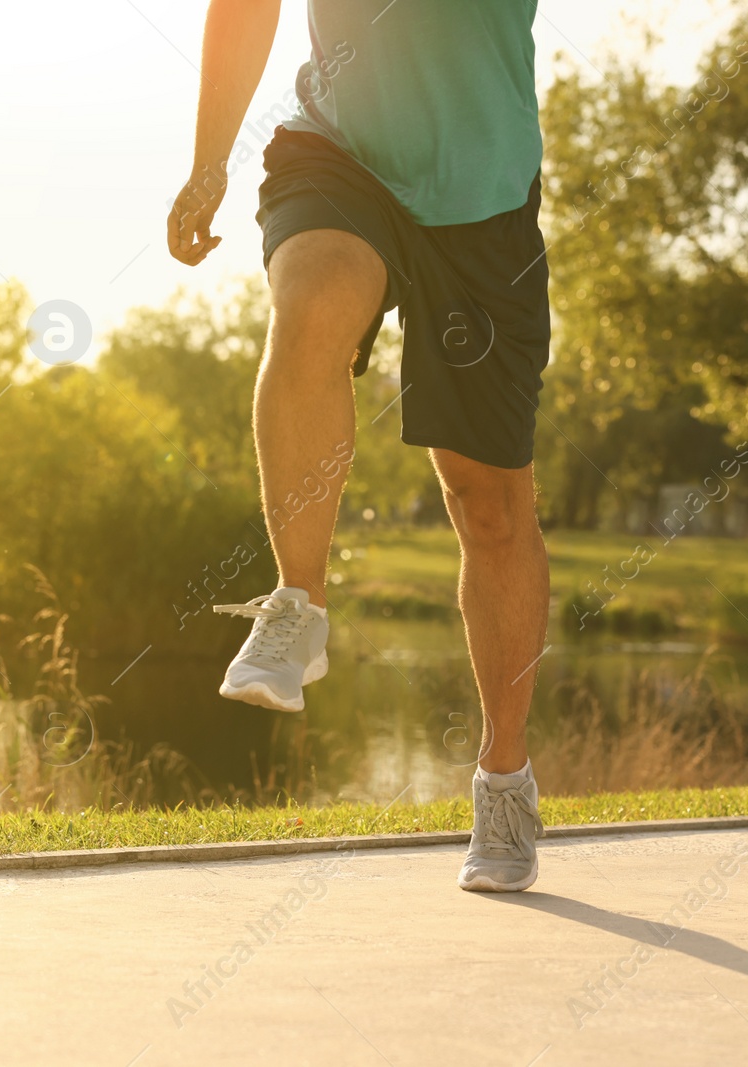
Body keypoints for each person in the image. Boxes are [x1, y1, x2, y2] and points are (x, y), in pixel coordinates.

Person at [166, 0, 552, 893]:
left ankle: (504, 776)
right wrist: (207, 163)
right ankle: (297, 602)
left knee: (486, 502)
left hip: (482, 196)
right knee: (311, 306)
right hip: (338, 154)